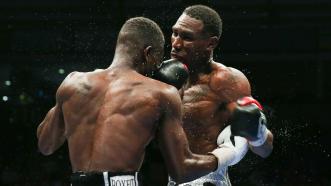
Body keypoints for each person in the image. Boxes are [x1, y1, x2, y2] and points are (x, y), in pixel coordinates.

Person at [36, 17, 239, 186]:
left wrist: (65, 100)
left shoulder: (72, 82)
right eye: (156, 61)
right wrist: (225, 155)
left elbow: (45, 145)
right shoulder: (161, 93)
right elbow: (182, 170)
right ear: (147, 53)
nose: (156, 70)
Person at [167, 5, 274, 186]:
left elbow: (264, 150)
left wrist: (258, 133)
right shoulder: (164, 78)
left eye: (187, 37)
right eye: (175, 33)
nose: (176, 43)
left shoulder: (225, 82)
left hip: (209, 180)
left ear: (211, 43)